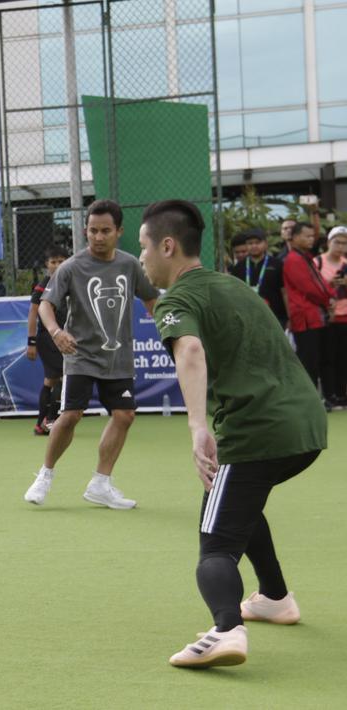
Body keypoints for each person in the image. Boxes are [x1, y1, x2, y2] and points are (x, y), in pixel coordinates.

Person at [137, 199, 326, 669]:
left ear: (167, 245)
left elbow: (192, 352)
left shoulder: (176, 300)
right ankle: (275, 598)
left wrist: (198, 426)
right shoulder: (235, 287)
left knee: (216, 543)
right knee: (240, 501)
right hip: (307, 426)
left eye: (142, 247)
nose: (140, 258)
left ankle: (225, 630)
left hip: (257, 433)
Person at [23, 199, 159, 509]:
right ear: (86, 230)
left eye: (105, 231)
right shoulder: (71, 266)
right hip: (80, 355)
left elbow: (152, 302)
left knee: (124, 415)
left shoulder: (130, 265)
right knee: (71, 415)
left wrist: (173, 332)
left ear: (119, 232)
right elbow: (45, 305)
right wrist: (56, 333)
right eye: (93, 231)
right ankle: (45, 475)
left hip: (119, 358)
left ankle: (101, 483)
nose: (98, 237)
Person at [282, 221, 333, 399]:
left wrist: (328, 296)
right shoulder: (293, 259)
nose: (311, 239)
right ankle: (310, 399)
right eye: (307, 236)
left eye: (312, 236)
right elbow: (309, 288)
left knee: (322, 359)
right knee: (309, 361)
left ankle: (328, 397)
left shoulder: (305, 256)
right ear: (294, 238)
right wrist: (329, 298)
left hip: (315, 316)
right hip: (305, 318)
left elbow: (317, 284)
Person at [25, 245, 70, 436]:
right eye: (53, 262)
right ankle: (50, 420)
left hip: (62, 336)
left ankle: (40, 423)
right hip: (46, 339)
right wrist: (32, 342)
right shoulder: (43, 285)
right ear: (47, 265)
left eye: (61, 261)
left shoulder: (69, 283)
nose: (57, 265)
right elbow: (33, 313)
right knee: (63, 374)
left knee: (50, 381)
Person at [228, 228, 285, 327]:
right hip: (248, 317)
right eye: (250, 243)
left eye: (258, 242)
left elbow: (284, 292)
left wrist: (288, 318)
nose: (254, 246)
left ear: (266, 244)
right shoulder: (238, 267)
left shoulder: (277, 264)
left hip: (275, 317)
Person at [318, 226, 347, 406]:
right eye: (337, 242)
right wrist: (329, 284)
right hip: (327, 317)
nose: (341, 246)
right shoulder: (317, 262)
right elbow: (313, 287)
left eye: (345, 243)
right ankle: (329, 396)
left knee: (344, 358)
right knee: (328, 357)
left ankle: (342, 394)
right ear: (329, 242)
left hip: (346, 317)